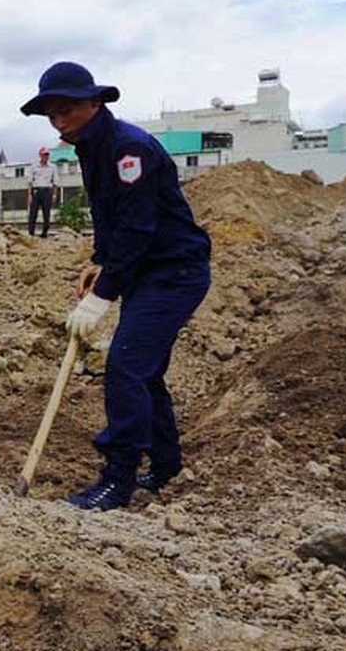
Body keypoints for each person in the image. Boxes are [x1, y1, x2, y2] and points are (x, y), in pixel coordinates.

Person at [21, 61, 211, 511]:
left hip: (174, 272)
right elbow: (113, 218)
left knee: (125, 366)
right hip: (146, 271)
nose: (58, 121)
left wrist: (102, 296)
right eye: (51, 114)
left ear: (94, 102)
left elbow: (139, 229)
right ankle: (165, 464)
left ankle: (117, 479)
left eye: (67, 109)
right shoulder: (91, 146)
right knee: (145, 371)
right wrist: (99, 262)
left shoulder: (129, 149)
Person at [27, 146, 58, 237]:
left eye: (47, 155)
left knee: (46, 213)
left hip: (47, 191)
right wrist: (29, 195)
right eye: (44, 155)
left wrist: (55, 194)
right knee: (33, 213)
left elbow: (55, 181)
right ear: (40, 155)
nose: (46, 157)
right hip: (36, 190)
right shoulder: (34, 166)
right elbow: (29, 182)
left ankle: (44, 233)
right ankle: (31, 233)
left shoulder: (52, 167)